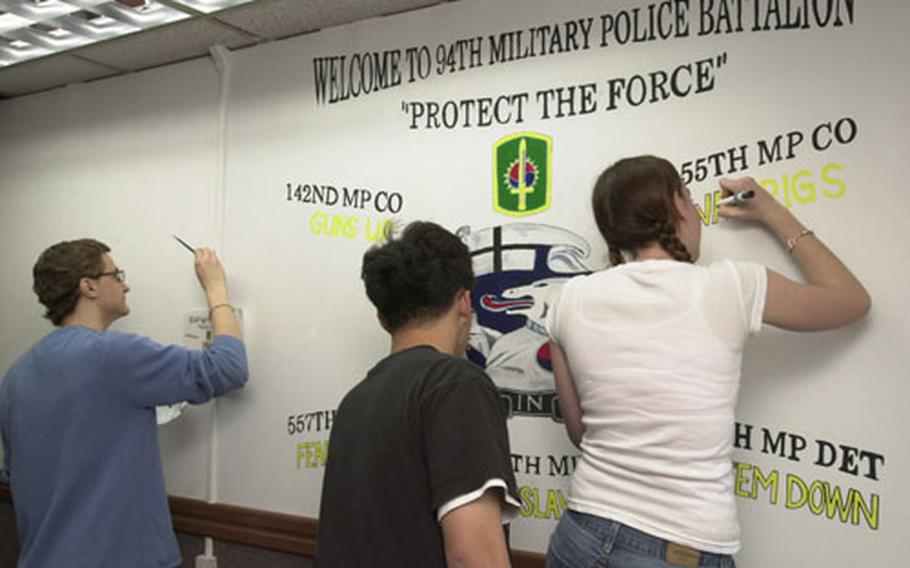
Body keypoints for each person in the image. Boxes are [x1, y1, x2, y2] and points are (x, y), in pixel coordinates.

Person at [545, 156, 870, 568]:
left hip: (580, 534)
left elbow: (579, 432)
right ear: (680, 205)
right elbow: (852, 300)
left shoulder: (569, 299)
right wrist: (771, 211)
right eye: (690, 199)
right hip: (677, 546)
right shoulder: (730, 286)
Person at [0, 238, 248, 568]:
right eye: (116, 275)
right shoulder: (113, 356)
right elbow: (228, 369)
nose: (125, 285)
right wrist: (216, 290)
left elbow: (13, 473)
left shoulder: (15, 377)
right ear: (88, 286)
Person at [316, 221, 520, 568]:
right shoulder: (456, 385)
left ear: (382, 318)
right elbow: (473, 556)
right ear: (464, 302)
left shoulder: (354, 401)